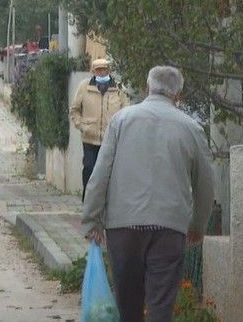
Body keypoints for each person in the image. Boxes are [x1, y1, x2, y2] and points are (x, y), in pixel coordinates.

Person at [81, 66, 215, 322]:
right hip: (169, 228)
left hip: (123, 227)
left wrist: (92, 219)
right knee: (160, 307)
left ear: (146, 88)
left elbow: (100, 173)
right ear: (178, 96)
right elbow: (206, 184)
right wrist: (197, 224)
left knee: (128, 309)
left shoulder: (121, 120)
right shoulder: (192, 128)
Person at [69, 58, 128, 201]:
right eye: (98, 70)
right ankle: (88, 200)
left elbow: (126, 113)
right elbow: (74, 110)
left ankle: (108, 202)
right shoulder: (84, 87)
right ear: (93, 72)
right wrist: (82, 126)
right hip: (90, 137)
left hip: (111, 139)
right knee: (89, 168)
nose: (102, 73)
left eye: (104, 70)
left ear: (109, 71)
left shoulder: (119, 88)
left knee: (110, 172)